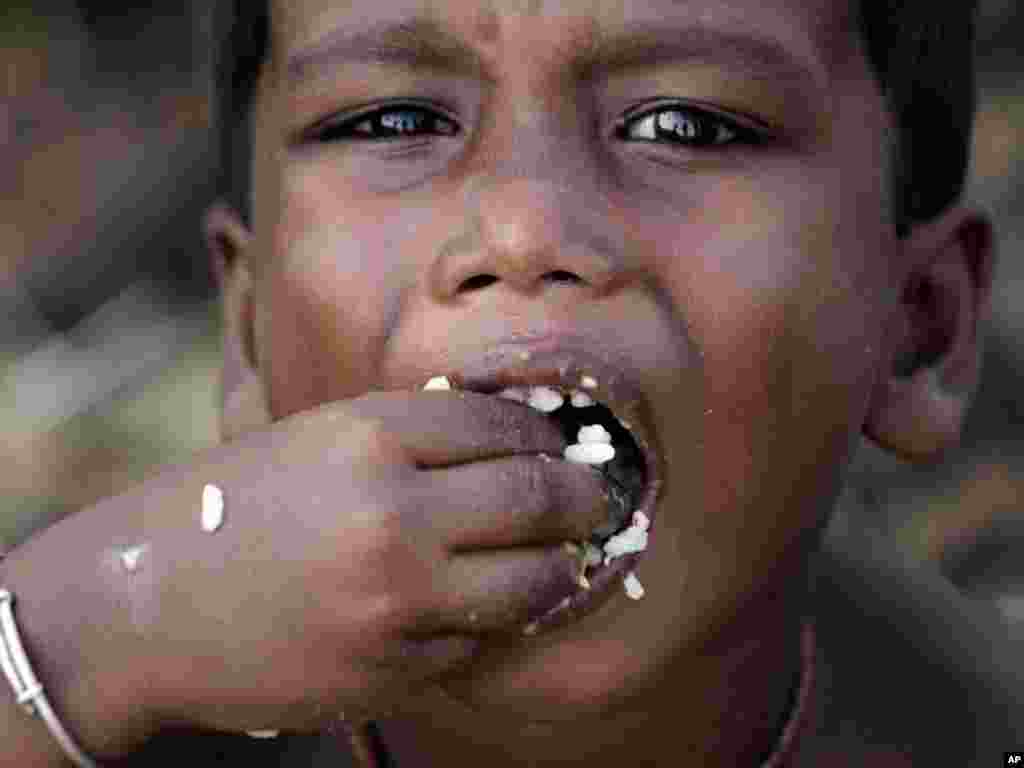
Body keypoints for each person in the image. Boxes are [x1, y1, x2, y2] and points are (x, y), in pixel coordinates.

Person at [2, 0, 1021, 765]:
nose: (525, 231)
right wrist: (80, 641)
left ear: (916, 332)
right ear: (249, 329)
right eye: (393, 122)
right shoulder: (92, 690)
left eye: (687, 126)